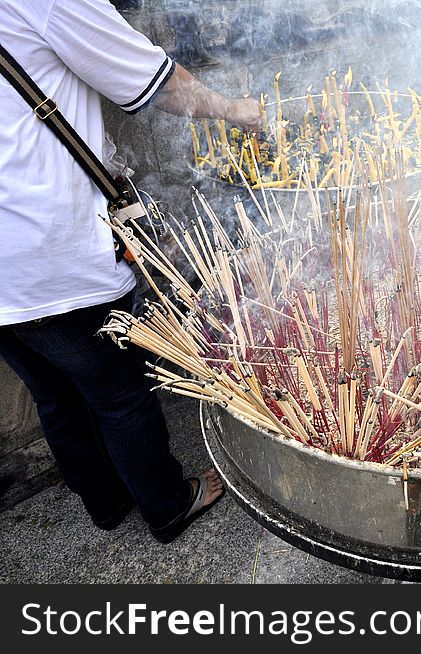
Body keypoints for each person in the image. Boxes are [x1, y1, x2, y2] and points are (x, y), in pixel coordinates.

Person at [0, 0, 261, 543]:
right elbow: (156, 85)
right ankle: (168, 506)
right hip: (50, 252)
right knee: (120, 393)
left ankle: (105, 502)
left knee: (54, 394)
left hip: (8, 269)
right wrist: (237, 110)